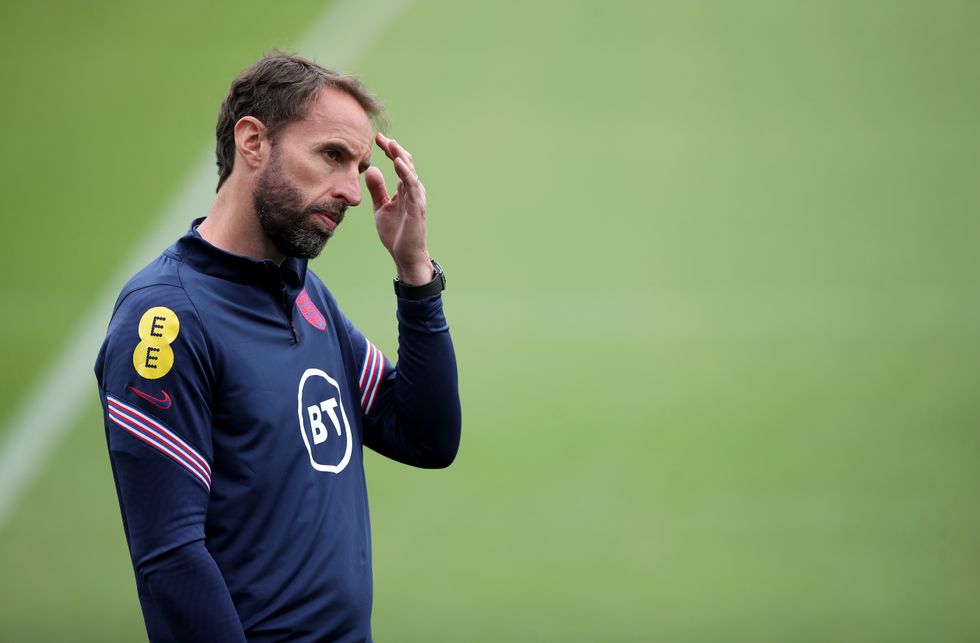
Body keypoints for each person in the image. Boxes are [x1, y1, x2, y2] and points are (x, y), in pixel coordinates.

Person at [94, 52, 461, 642]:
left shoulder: (301, 294)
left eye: (360, 165)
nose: (351, 191)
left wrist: (415, 273)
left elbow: (426, 436)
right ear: (253, 141)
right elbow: (170, 559)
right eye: (332, 156)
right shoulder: (165, 319)